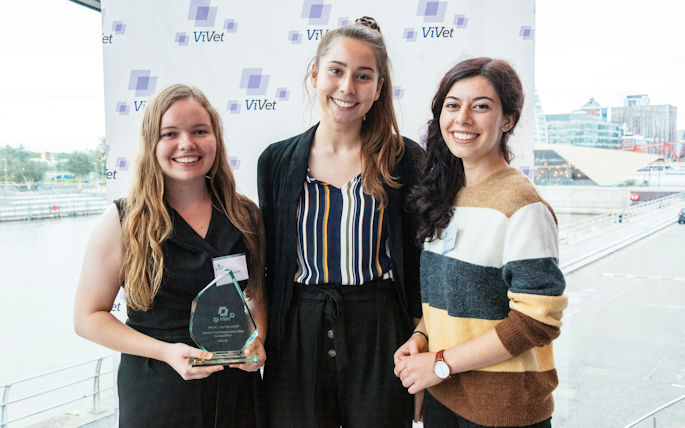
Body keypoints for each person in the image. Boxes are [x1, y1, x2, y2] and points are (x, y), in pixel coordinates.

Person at [257, 17, 424, 428]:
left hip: (381, 326)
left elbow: (422, 264)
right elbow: (268, 264)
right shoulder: (275, 161)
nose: (348, 87)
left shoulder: (405, 160)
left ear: (379, 87)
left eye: (363, 76)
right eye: (336, 71)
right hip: (298, 327)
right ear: (315, 75)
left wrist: (422, 339)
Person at [73, 84, 267, 427]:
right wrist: (166, 352)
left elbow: (257, 298)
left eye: (199, 131)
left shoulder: (244, 215)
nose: (186, 143)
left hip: (236, 393)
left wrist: (257, 340)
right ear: (152, 144)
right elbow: (88, 317)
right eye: (170, 133)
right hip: (158, 393)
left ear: (215, 139)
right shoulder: (123, 220)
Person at [393, 57, 568, 428]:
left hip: (504, 410)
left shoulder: (523, 206)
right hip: (447, 398)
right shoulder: (449, 194)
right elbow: (449, 297)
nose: (463, 118)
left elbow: (537, 321)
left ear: (508, 120)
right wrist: (422, 336)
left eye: (481, 106)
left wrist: (440, 363)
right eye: (453, 105)